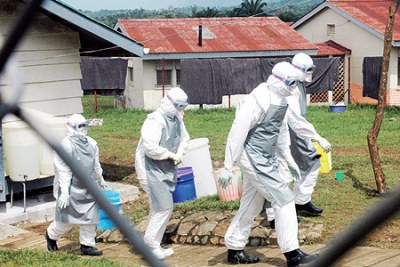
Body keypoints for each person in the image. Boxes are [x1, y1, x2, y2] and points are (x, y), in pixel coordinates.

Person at [218, 62, 320, 267]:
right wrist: (228, 165)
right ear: (278, 80)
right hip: (253, 157)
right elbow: (237, 131)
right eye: (291, 83)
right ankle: (293, 254)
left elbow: (280, 131)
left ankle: (235, 247)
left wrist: (289, 159)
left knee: (252, 203)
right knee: (284, 200)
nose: (293, 88)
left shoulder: (282, 99)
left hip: (267, 158)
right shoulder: (259, 99)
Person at [265, 53, 332, 228]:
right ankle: (276, 215)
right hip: (280, 136)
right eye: (307, 70)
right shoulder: (288, 87)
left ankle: (297, 203)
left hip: (289, 133)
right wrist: (315, 137)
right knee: (282, 175)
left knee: (288, 173)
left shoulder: (297, 85)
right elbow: (294, 118)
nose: (310, 73)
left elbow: (295, 119)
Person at [135, 87, 190, 260]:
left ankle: (153, 244)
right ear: (170, 103)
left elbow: (184, 138)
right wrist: (169, 154)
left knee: (159, 207)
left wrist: (180, 152)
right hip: (150, 168)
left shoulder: (177, 118)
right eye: (179, 106)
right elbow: (149, 147)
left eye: (183, 107)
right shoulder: (155, 120)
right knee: (163, 207)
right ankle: (150, 244)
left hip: (165, 168)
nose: (181, 110)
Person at [45, 113, 107, 256]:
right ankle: (51, 235)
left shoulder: (92, 143)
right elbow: (63, 170)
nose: (83, 129)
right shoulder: (65, 146)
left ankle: (87, 245)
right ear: (71, 127)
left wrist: (100, 178)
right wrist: (65, 192)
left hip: (89, 188)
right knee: (66, 222)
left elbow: (95, 164)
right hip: (71, 188)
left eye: (85, 125)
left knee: (90, 219)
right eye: (80, 126)